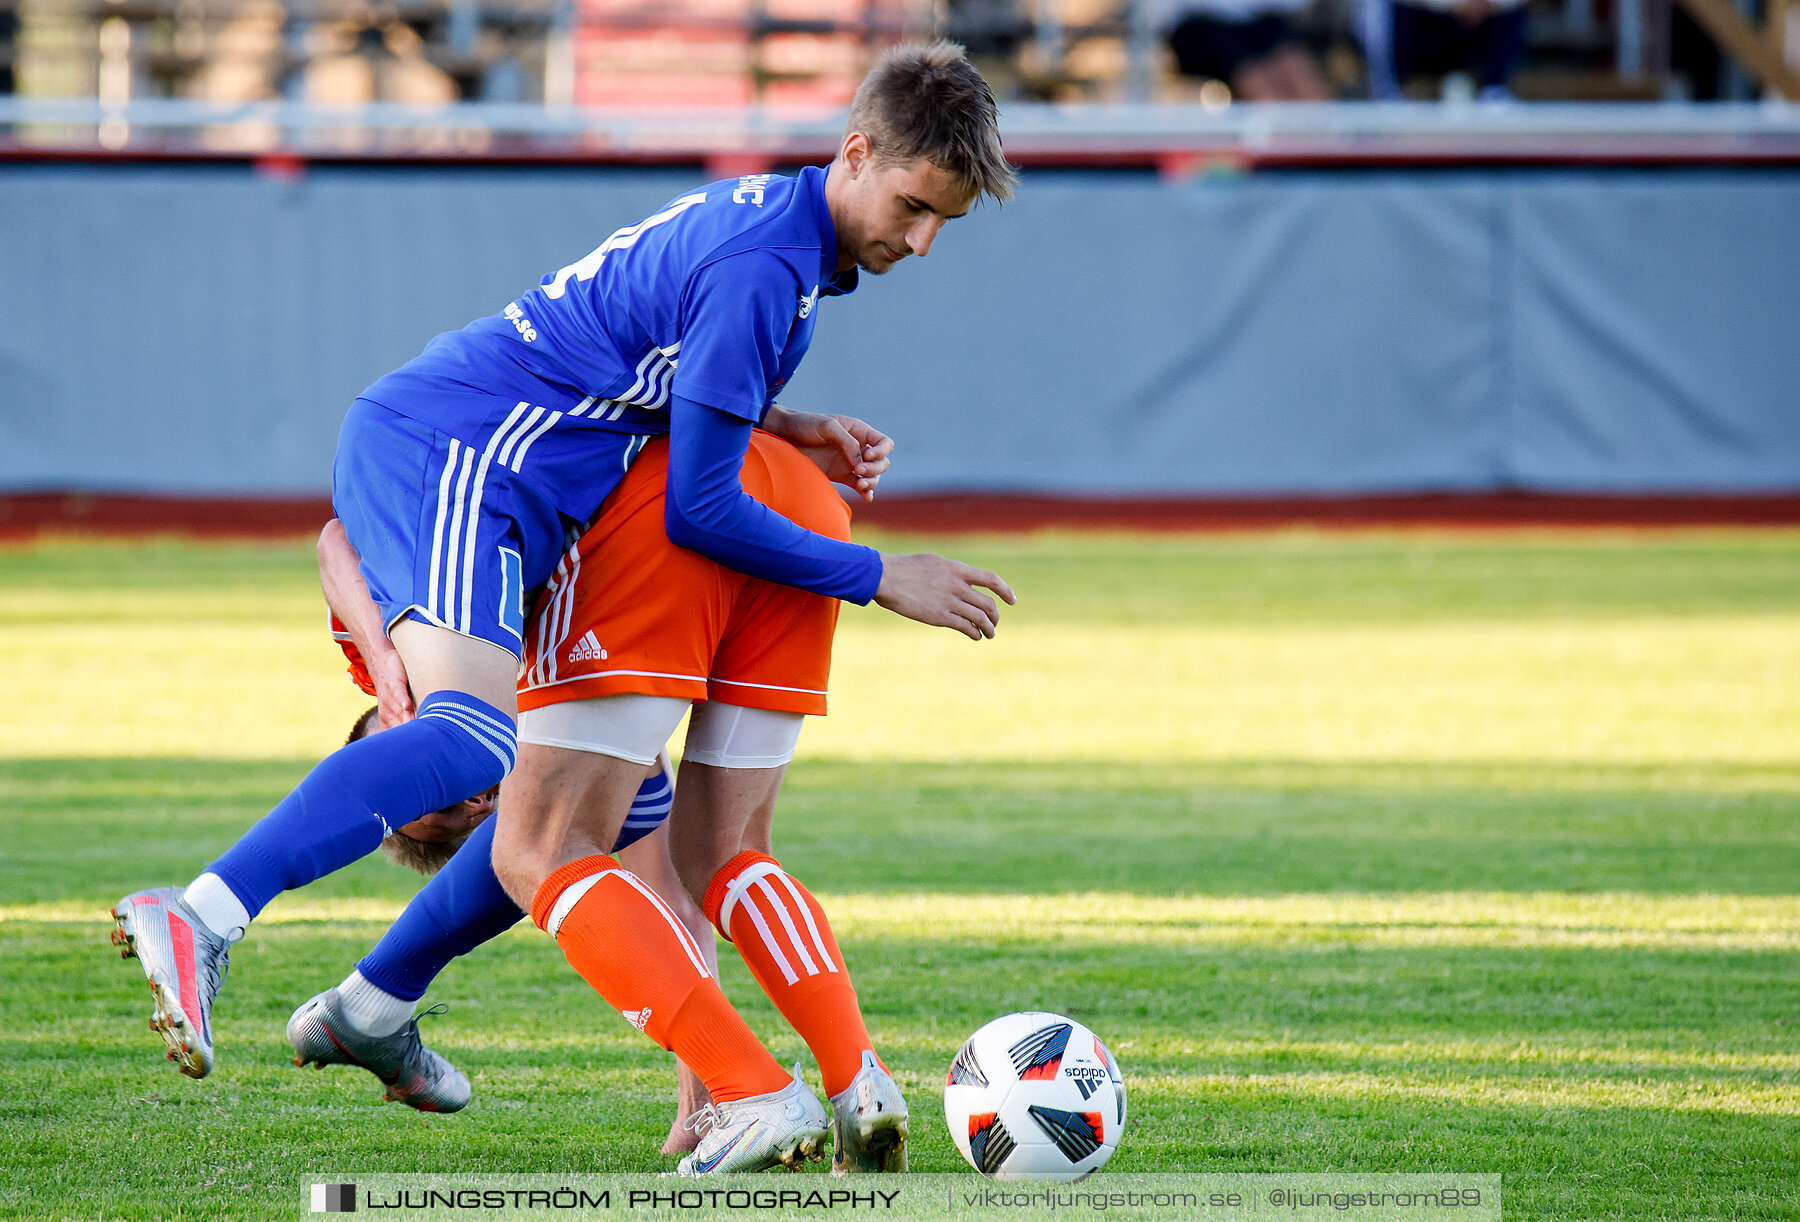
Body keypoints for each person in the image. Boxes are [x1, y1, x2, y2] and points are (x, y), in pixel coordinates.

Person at [109, 39, 1017, 1091]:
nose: (923, 239)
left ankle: (376, 1006)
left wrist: (789, 423)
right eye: (915, 206)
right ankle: (203, 913)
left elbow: (644, 366)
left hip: (507, 489)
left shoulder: (783, 241)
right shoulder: (767, 261)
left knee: (587, 807)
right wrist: (875, 574)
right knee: (471, 741)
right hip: (471, 453)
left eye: (944, 221)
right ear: (856, 151)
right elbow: (705, 505)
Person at [1166, 0, 1331, 101]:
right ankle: (1284, 153)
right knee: (1257, 85)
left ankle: (1320, 150)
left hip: (1261, 18)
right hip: (1199, 23)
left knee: (1300, 76)